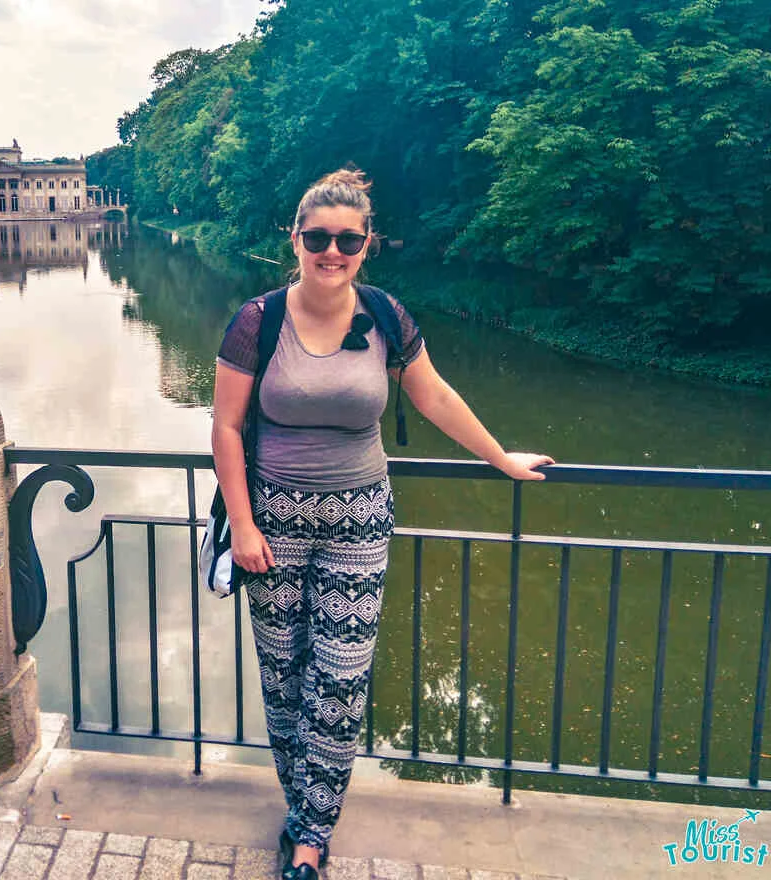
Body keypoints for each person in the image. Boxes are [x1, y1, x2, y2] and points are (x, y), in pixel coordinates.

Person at [211, 168, 553, 880]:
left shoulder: (387, 318)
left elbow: (434, 395)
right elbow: (225, 426)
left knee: (338, 680)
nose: (331, 251)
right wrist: (243, 526)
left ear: (367, 244)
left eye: (347, 239)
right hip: (273, 522)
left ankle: (310, 836)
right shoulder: (258, 319)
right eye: (317, 238)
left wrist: (500, 457)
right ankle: (298, 803)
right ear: (295, 240)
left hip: (360, 521)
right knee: (284, 679)